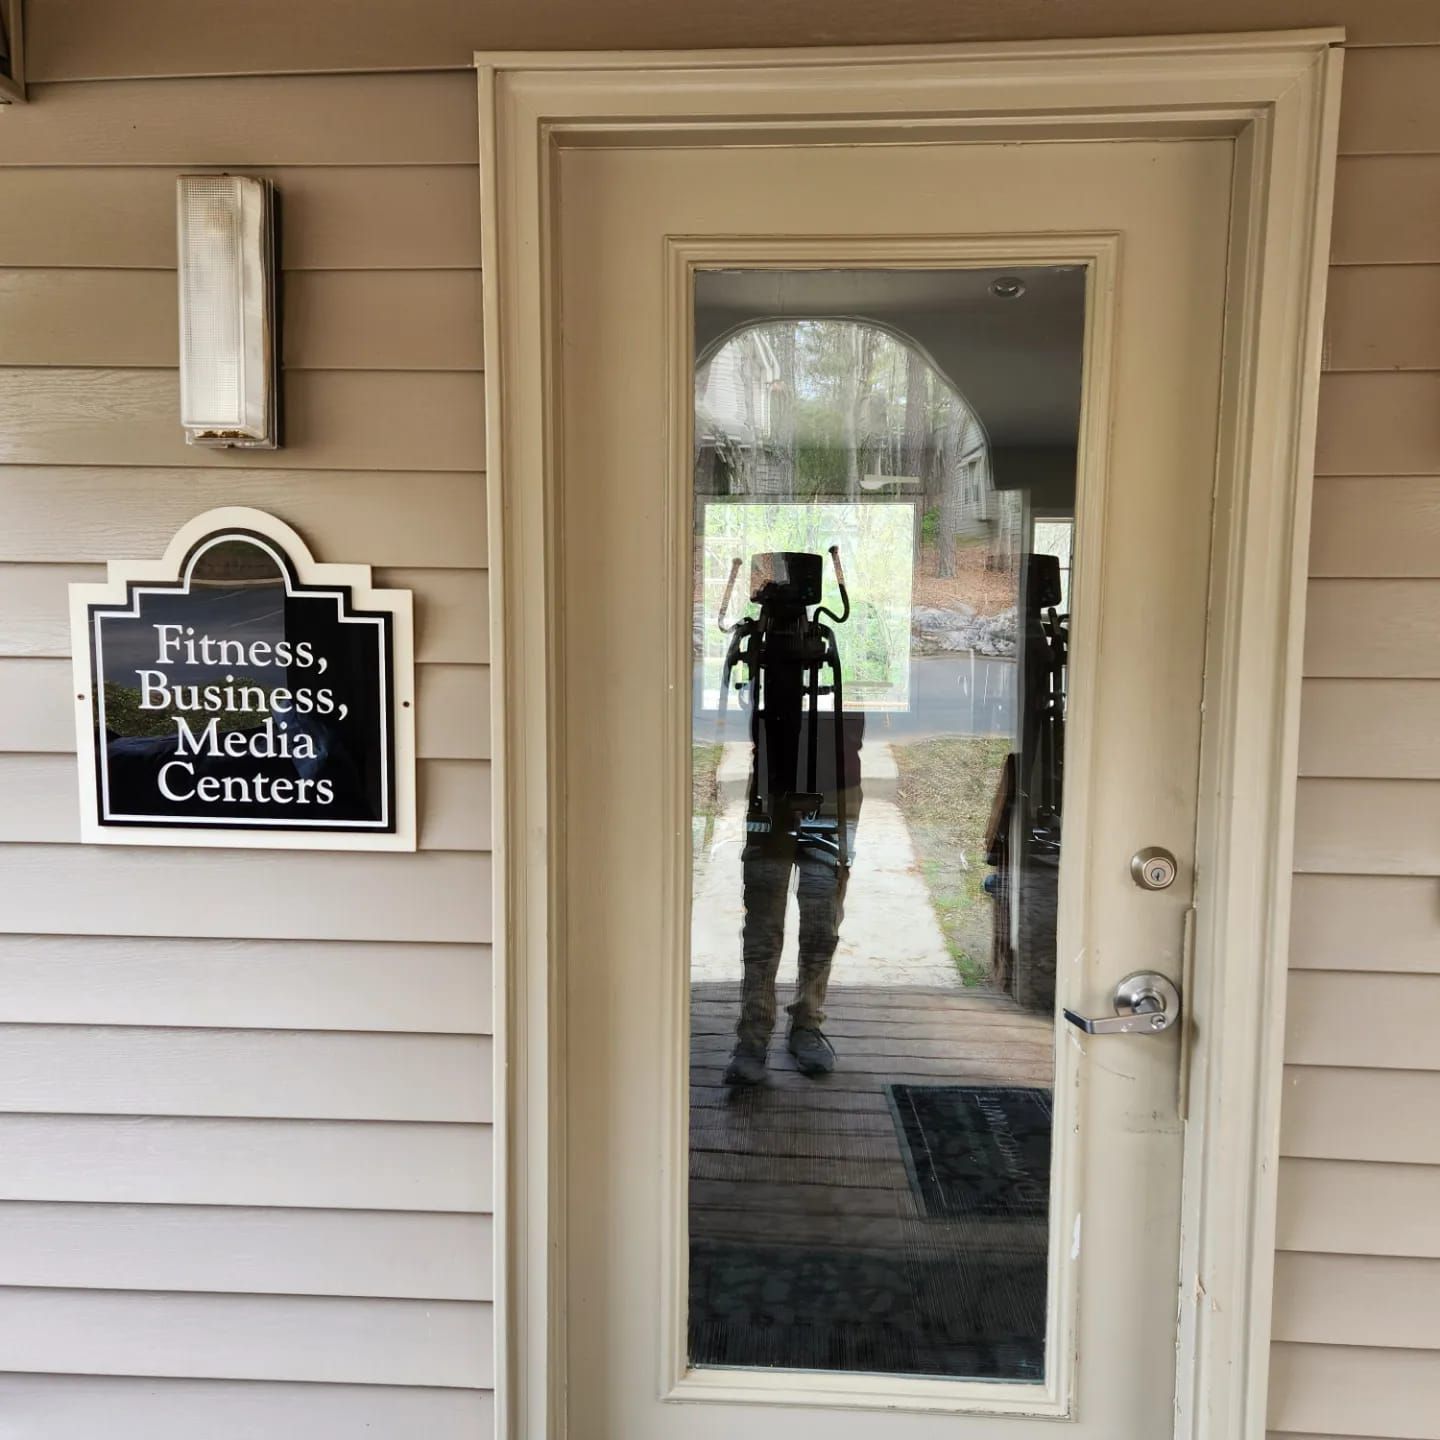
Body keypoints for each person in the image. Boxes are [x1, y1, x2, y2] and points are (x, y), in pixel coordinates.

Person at [724, 711, 863, 1085]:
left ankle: (806, 1024)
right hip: (773, 791)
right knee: (762, 930)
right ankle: (753, 1037)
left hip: (834, 789)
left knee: (821, 926)